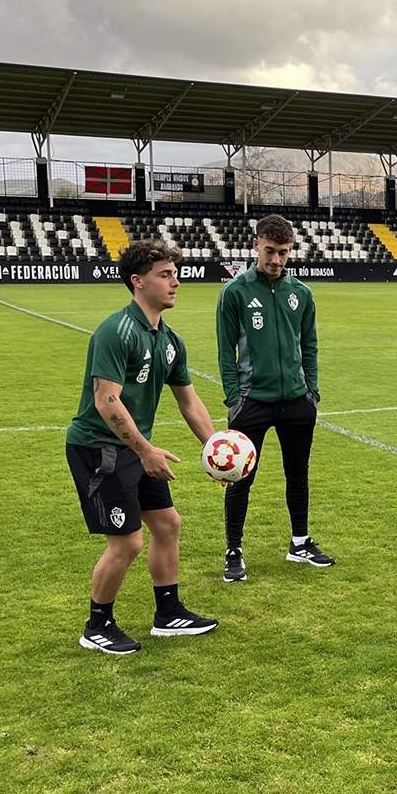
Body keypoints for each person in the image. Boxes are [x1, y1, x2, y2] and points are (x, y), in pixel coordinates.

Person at [65, 239, 220, 655]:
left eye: (175, 274)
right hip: (98, 449)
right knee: (127, 542)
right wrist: (145, 450)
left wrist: (216, 452)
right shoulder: (116, 332)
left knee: (168, 524)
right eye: (165, 275)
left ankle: (168, 614)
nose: (175, 283)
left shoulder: (170, 341)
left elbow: (189, 401)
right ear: (138, 281)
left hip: (135, 449)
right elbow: (106, 401)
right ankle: (97, 626)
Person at [216, 214, 334, 583]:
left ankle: (300, 543)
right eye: (269, 251)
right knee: (240, 478)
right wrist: (234, 399)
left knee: (298, 474)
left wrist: (311, 392)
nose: (276, 259)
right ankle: (234, 550)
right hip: (252, 401)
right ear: (256, 245)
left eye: (283, 252)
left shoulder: (301, 293)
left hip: (297, 401)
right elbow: (226, 351)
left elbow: (310, 345)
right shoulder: (235, 292)